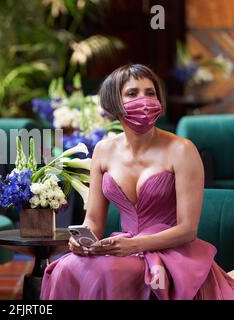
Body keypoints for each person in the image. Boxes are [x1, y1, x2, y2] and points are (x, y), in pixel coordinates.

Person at [40, 64, 234, 300]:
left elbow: (187, 230)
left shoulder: (182, 150)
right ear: (114, 103)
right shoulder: (103, 150)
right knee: (64, 267)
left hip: (170, 253)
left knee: (106, 272)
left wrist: (136, 246)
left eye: (150, 93)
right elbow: (93, 221)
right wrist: (80, 241)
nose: (145, 100)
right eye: (132, 93)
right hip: (123, 248)